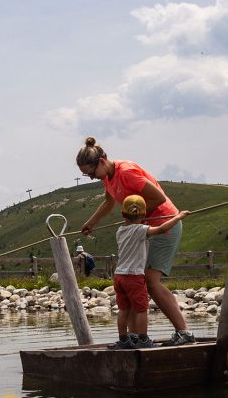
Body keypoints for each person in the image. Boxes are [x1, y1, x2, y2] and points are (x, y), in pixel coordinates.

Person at [76, 136, 195, 346]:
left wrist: (135, 220)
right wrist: (91, 222)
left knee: (149, 281)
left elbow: (158, 197)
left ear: (102, 162)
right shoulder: (107, 177)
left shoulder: (127, 172)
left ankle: (183, 332)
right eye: (87, 175)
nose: (92, 178)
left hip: (164, 224)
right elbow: (109, 201)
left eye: (91, 173)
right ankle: (133, 338)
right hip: (143, 228)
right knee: (134, 282)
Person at [109, 195, 189, 349]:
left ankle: (123, 340)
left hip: (119, 276)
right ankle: (143, 340)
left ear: (122, 214)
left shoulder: (120, 231)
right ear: (144, 215)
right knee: (141, 310)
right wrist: (178, 217)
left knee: (123, 309)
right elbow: (162, 228)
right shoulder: (141, 230)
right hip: (134, 277)